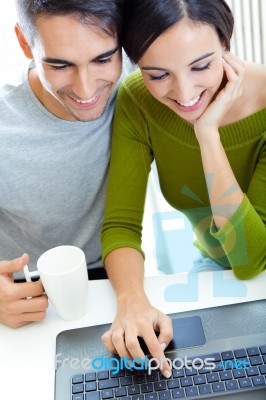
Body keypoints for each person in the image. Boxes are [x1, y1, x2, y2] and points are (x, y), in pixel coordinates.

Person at [101, 0, 266, 377]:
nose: (185, 92)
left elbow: (250, 259)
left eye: (202, 66)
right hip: (214, 264)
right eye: (158, 74)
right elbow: (122, 226)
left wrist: (207, 135)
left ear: (226, 43)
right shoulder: (137, 100)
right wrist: (131, 301)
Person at [0, 0, 129, 328]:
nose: (86, 90)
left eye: (103, 59)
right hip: (22, 295)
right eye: (60, 65)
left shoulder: (142, 84)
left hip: (114, 280)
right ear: (24, 43)